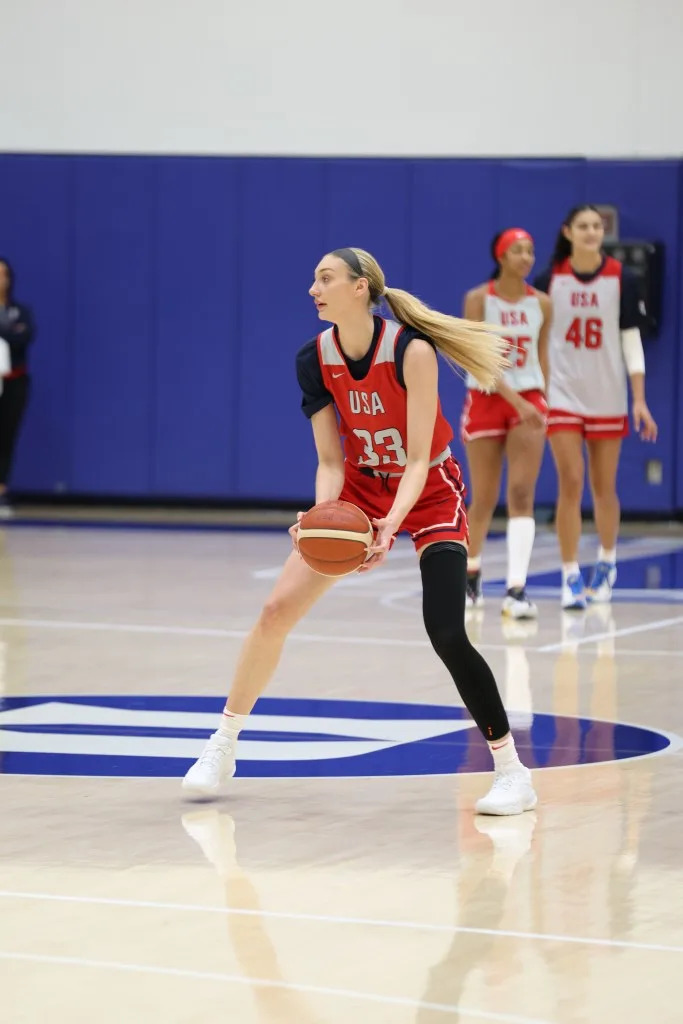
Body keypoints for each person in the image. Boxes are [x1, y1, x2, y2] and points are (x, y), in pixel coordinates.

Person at [182, 247, 538, 816]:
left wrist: (388, 528)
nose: (312, 289)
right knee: (275, 611)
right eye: (312, 279)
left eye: (324, 278)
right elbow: (330, 460)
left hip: (428, 493)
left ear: (360, 287)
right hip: (361, 488)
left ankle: (513, 773)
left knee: (445, 631)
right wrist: (325, 519)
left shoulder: (410, 350)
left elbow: (420, 458)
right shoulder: (313, 358)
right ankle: (222, 745)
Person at [534, 207, 657, 610]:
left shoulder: (624, 278)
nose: (591, 232)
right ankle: (570, 574)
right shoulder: (549, 280)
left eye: (597, 226)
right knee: (570, 481)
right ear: (567, 232)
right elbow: (535, 343)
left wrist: (639, 400)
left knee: (604, 488)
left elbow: (631, 341)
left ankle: (606, 562)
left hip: (607, 393)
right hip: (563, 394)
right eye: (583, 226)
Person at [461, 229, 551, 619]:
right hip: (487, 395)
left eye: (530, 251)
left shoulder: (543, 304)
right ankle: (471, 572)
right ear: (501, 255)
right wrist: (514, 399)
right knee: (483, 498)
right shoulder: (479, 299)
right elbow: (478, 358)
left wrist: (543, 400)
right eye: (518, 250)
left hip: (529, 398)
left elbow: (543, 355)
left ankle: (516, 589)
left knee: (521, 494)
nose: (526, 257)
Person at [0, 258, 35, 516]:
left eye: (4, 274)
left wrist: (6, 332)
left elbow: (23, 337)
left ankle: (1, 491)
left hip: (14, 380)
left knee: (7, 435)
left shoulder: (19, 311)